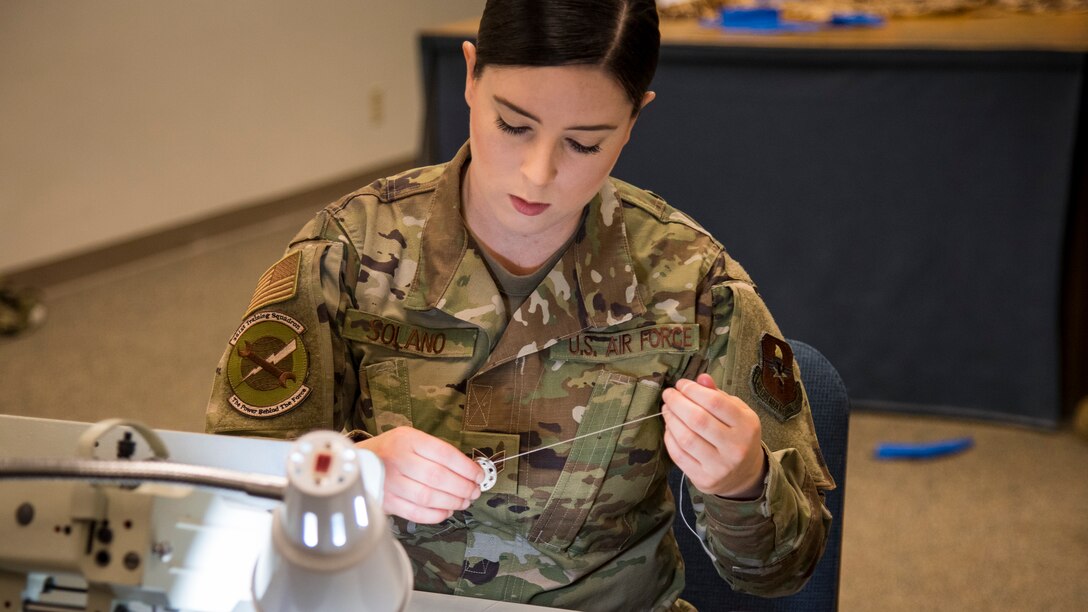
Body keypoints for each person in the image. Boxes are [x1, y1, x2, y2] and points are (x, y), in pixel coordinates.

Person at [206, 1, 834, 609]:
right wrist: (348, 473)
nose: (538, 173)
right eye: (514, 125)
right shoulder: (348, 251)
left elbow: (783, 573)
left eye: (584, 144)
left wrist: (742, 482)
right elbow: (221, 496)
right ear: (471, 75)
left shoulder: (694, 285)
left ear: (635, 118)